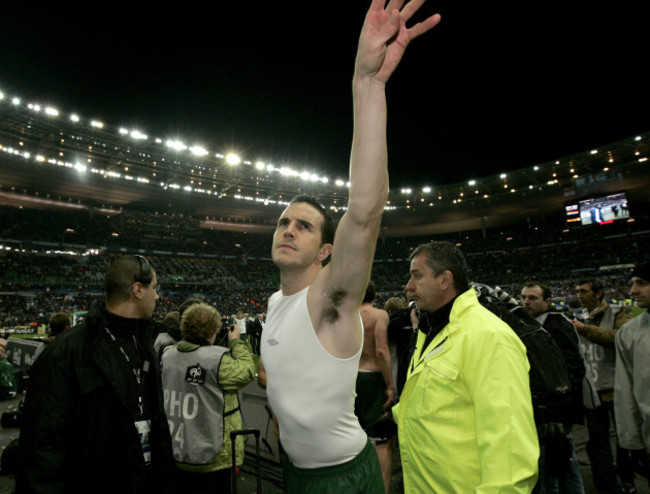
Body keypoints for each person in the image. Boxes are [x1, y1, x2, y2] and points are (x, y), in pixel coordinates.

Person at [259, 2, 441, 492]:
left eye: (304, 226)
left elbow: (363, 212)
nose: (288, 229)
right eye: (283, 222)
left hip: (341, 478)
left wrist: (368, 85)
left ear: (326, 252)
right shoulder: (276, 305)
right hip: (296, 474)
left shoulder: (328, 303)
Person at [15, 255, 176, 494]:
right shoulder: (68, 351)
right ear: (137, 290)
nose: (157, 296)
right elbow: (41, 446)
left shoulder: (143, 342)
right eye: (154, 287)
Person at [393, 241, 539, 492]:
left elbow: (509, 446)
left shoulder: (488, 336)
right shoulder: (431, 330)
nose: (408, 286)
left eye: (417, 275)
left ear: (445, 279)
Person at [161, 302, 255, 494]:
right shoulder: (216, 360)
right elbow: (246, 370)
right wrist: (236, 342)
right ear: (213, 329)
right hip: (212, 454)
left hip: (176, 449)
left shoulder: (168, 355)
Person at [521, 281, 586, 493]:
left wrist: (559, 400)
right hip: (541, 410)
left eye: (532, 298)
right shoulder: (528, 325)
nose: (526, 302)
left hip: (556, 411)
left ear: (547, 302)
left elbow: (574, 367)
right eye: (523, 297)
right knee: (553, 466)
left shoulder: (557, 325)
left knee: (562, 466)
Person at [572, 277, 634, 493]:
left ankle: (628, 480)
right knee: (597, 442)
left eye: (584, 291)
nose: (579, 295)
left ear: (598, 293)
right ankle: (606, 486)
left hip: (618, 388)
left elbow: (621, 338)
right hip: (592, 390)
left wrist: (586, 330)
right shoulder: (579, 315)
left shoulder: (617, 313)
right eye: (578, 291)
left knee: (625, 440)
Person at [355, 280, 395, 493]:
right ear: (375, 294)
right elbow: (381, 350)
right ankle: (382, 489)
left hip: (350, 377)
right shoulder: (379, 315)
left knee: (355, 438)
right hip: (372, 378)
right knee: (381, 440)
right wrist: (390, 385)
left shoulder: (348, 315)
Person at [615, 263, 650, 486]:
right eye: (633, 284)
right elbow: (625, 391)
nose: (633, 291)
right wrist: (632, 444)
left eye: (642, 283)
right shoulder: (629, 333)